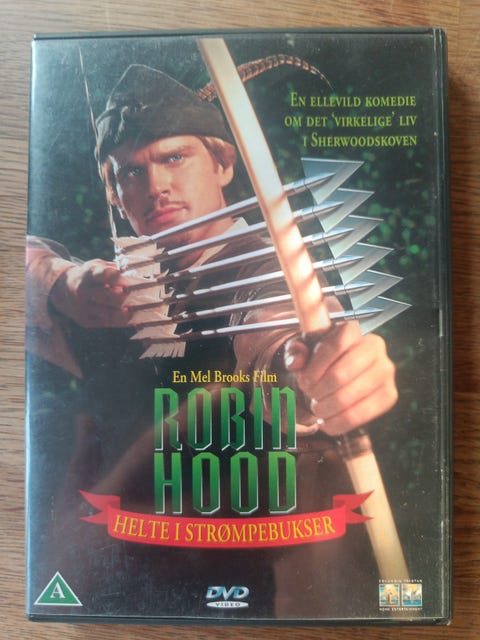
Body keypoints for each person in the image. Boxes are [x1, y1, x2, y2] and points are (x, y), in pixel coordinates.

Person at [26, 64, 397, 618]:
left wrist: (320, 375)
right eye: (131, 172)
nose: (155, 186)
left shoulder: (269, 270)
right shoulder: (115, 288)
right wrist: (60, 282)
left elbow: (279, 336)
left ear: (223, 164)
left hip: (268, 585)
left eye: (175, 157)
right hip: (136, 581)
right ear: (116, 195)